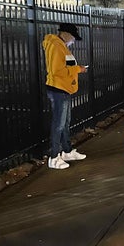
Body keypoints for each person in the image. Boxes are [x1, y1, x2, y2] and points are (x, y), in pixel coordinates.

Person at [43, 23, 88, 170]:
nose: (73, 41)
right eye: (73, 37)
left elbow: (64, 67)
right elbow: (58, 70)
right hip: (58, 89)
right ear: (66, 34)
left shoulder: (61, 46)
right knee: (59, 124)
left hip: (64, 88)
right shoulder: (56, 46)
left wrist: (76, 69)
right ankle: (54, 157)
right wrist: (78, 69)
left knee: (64, 122)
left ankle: (66, 151)